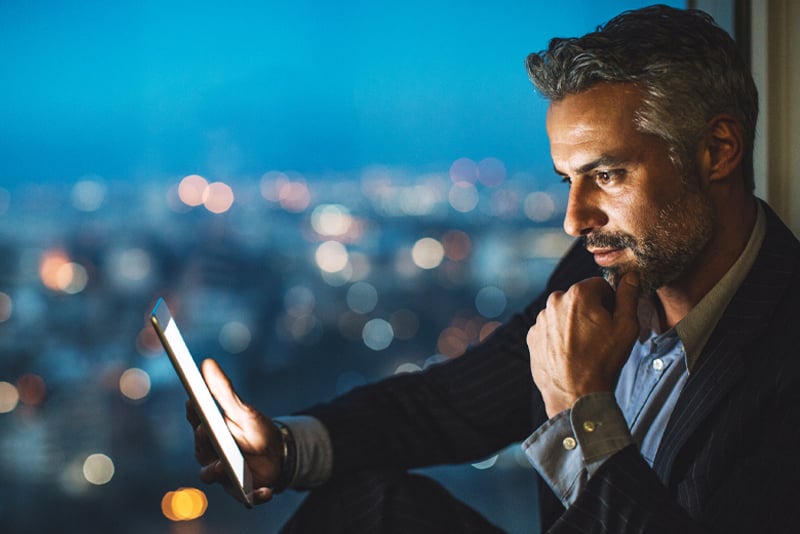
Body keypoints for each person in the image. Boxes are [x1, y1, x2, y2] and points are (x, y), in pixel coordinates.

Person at [188, 5, 800, 532]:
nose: (574, 218)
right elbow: (451, 404)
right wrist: (285, 449)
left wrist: (579, 410)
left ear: (718, 151)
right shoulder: (601, 275)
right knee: (368, 510)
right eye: (568, 179)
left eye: (607, 175)